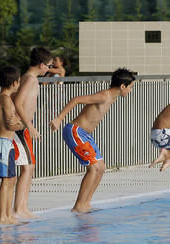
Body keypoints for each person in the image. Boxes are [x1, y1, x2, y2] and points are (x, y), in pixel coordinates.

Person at [49, 68, 136, 213]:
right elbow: (76, 100)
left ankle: (86, 204)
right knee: (93, 167)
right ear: (122, 86)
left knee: (101, 168)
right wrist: (59, 119)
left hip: (86, 135)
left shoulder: (111, 97)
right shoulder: (104, 95)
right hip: (75, 131)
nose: (131, 91)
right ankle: (79, 206)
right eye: (131, 87)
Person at [13, 47, 53, 219]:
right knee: (28, 167)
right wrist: (30, 126)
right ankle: (18, 209)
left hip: (24, 127)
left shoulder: (29, 78)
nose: (50, 69)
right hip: (22, 128)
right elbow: (18, 103)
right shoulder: (29, 79)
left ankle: (23, 207)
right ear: (42, 64)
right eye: (49, 66)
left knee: (29, 167)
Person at [0, 66, 24, 224]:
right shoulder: (6, 99)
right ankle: (2, 217)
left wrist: (17, 122)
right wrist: (22, 125)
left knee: (12, 179)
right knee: (6, 180)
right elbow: (12, 125)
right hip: (2, 144)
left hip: (6, 143)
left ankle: (8, 215)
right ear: (15, 83)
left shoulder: (1, 96)